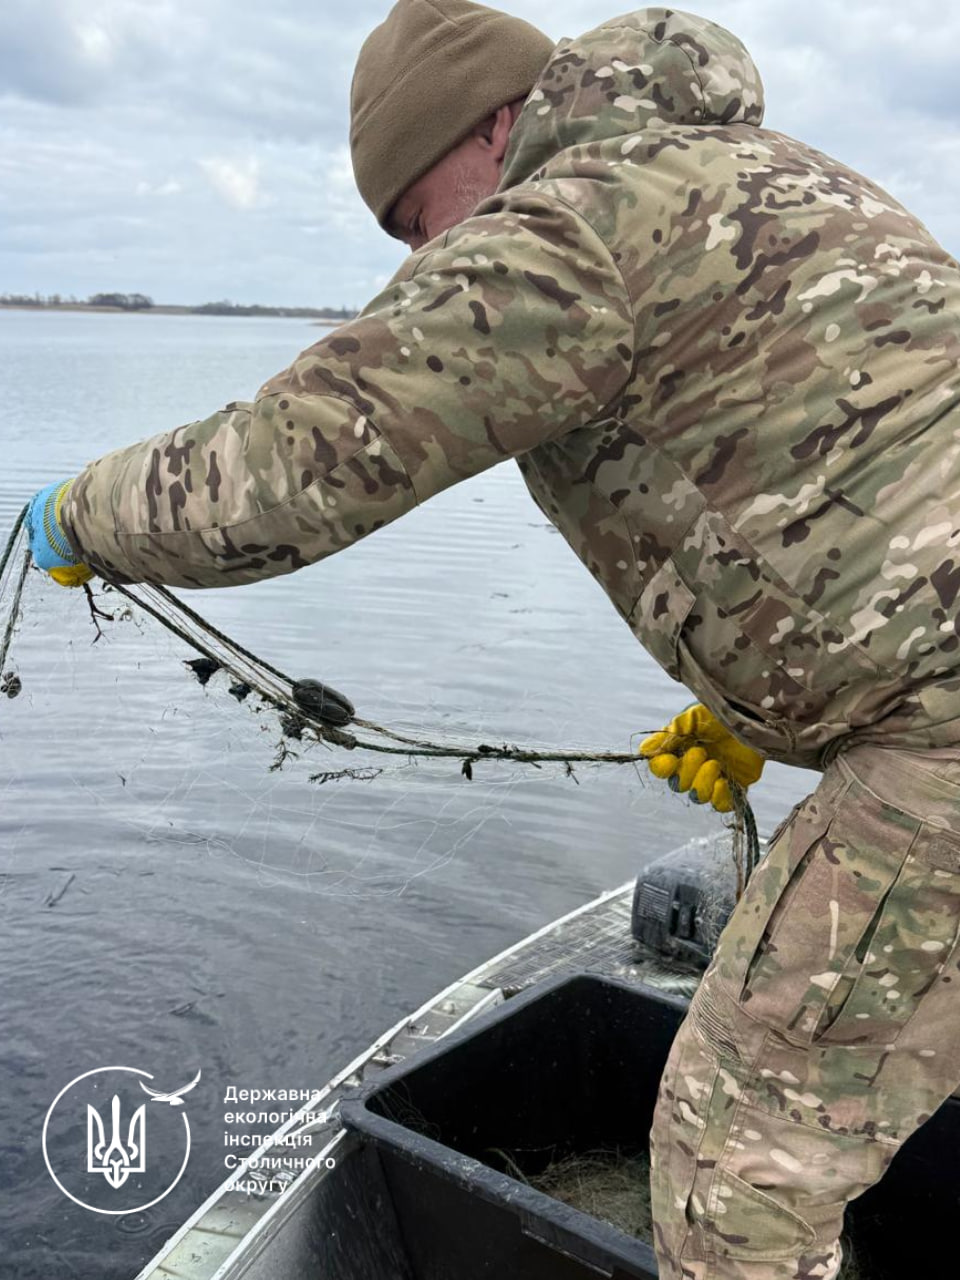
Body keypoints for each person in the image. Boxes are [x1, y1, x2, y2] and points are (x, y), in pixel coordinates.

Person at [24, 2, 960, 1276]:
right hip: (920, 702)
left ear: (499, 123)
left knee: (741, 1156)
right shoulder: (774, 173)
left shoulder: (563, 224)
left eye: (419, 218)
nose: (429, 259)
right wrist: (768, 723)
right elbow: (853, 478)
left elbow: (287, 470)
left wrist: (80, 509)